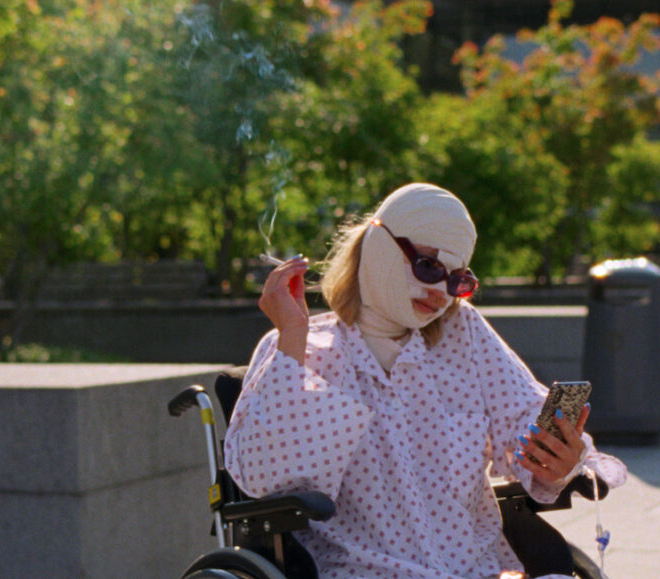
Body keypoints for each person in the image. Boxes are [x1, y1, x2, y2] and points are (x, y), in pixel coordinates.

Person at [224, 183, 626, 579]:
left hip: (476, 570)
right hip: (364, 571)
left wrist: (555, 460)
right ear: (379, 245)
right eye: (429, 266)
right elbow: (264, 476)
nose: (439, 293)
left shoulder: (463, 333)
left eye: (457, 280)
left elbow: (523, 411)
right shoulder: (304, 349)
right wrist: (293, 335)